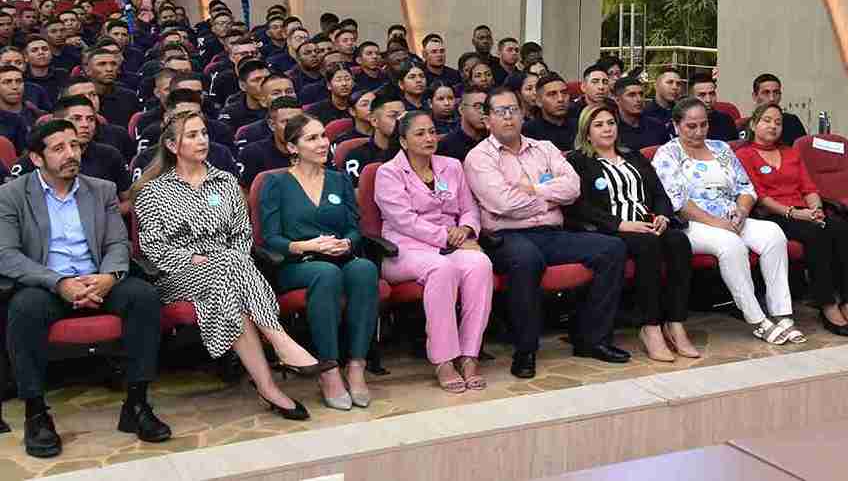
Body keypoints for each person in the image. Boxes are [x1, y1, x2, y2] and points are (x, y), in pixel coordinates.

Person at [132, 113, 329, 421]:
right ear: (172, 145)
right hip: (178, 275)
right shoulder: (154, 192)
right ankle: (280, 342)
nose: (202, 140)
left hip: (230, 272)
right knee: (228, 268)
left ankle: (268, 387)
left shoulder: (224, 182)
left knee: (229, 280)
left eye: (204, 133)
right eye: (192, 135)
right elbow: (152, 247)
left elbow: (242, 233)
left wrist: (227, 260)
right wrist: (192, 259)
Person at [0, 120, 172, 457]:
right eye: (59, 148)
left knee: (144, 297)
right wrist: (59, 283)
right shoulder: (11, 195)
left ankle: (136, 405)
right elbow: (6, 255)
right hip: (48, 285)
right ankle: (36, 413)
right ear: (37, 158)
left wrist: (109, 277)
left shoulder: (102, 189)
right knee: (24, 308)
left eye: (75, 146)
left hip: (99, 280)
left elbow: (118, 244)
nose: (71, 154)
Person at [463, 87, 629, 379]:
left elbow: (573, 187)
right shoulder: (479, 157)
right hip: (507, 237)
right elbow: (502, 203)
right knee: (526, 260)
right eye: (500, 111)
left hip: (553, 232)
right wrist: (551, 197)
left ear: (523, 113)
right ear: (487, 120)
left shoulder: (545, 148)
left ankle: (592, 339)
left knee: (612, 249)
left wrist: (535, 191)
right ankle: (525, 349)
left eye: (513, 109)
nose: (508, 117)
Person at [652, 98, 804, 345]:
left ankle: (782, 313)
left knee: (773, 233)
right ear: (676, 125)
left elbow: (746, 188)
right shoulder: (667, 154)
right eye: (691, 126)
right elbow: (677, 202)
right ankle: (757, 320)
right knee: (731, 245)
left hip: (732, 218)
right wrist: (716, 223)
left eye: (703, 125)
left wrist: (742, 211)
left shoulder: (720, 148)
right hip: (694, 224)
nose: (699, 131)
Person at [260, 115, 379, 411]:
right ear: (292, 147)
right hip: (297, 264)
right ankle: (328, 370)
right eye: (312, 138)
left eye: (323, 135)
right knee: (325, 274)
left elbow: (354, 227)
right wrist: (305, 245)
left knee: (365, 269)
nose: (323, 143)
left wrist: (347, 243)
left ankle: (356, 365)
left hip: (339, 257)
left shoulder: (339, 180)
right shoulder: (274, 182)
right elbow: (270, 239)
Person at [565, 103, 699, 363]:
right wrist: (619, 224)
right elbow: (579, 206)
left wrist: (661, 215)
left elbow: (659, 194)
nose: (607, 129)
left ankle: (675, 322)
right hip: (613, 230)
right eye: (599, 125)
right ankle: (650, 327)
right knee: (648, 245)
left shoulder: (633, 156)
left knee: (678, 241)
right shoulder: (578, 161)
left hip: (647, 222)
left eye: (611, 123)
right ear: (587, 132)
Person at [376, 111, 494, 392]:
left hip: (452, 243)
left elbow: (468, 209)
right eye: (420, 134)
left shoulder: (451, 166)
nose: (430, 138)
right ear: (403, 141)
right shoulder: (388, 172)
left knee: (480, 264)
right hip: (404, 249)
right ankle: (443, 360)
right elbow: (404, 221)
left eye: (432, 132)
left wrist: (466, 230)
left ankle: (469, 355)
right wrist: (449, 239)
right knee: (442, 268)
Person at [738, 103, 848, 336]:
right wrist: (795, 213)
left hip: (804, 210)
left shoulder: (791, 152)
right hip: (773, 215)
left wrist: (815, 209)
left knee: (844, 229)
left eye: (778, 122)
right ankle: (827, 304)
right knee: (817, 234)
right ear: (754, 124)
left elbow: (808, 187)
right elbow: (760, 197)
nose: (773, 126)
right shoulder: (744, 155)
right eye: (767, 120)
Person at [11, 96, 131, 203]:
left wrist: (105, 213)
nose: (85, 125)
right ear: (57, 121)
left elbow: (129, 200)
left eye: (90, 119)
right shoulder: (36, 158)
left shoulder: (110, 155)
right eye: (77, 119)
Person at [342, 90, 404, 184]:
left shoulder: (414, 151)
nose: (401, 121)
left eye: (404, 116)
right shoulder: (357, 156)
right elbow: (358, 195)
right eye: (393, 116)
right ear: (374, 121)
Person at [239, 97, 305, 187]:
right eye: (286, 122)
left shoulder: (316, 148)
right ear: (272, 125)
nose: (293, 127)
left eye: (298, 121)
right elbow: (245, 191)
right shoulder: (253, 153)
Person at [523, 72, 579, 151]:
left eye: (564, 93)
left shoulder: (580, 127)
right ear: (538, 101)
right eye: (552, 94)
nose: (560, 99)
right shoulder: (528, 132)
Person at [611, 76, 668, 151]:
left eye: (641, 94)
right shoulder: (611, 129)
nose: (639, 99)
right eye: (631, 95)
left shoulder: (657, 126)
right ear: (617, 99)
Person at [749, 74, 808, 145]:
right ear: (755, 96)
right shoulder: (743, 125)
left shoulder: (792, 122)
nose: (772, 98)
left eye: (776, 93)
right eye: (766, 93)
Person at [436, 86, 489, 162]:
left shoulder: (496, 141)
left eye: (486, 107)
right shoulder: (445, 147)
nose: (483, 111)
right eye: (477, 106)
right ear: (461, 109)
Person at [220, 59, 269, 133]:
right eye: (256, 80)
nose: (264, 84)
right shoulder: (231, 113)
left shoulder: (282, 108)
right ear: (242, 85)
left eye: (267, 79)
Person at [687, 72, 739, 142]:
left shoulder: (726, 120)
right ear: (691, 97)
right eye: (702, 95)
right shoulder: (683, 122)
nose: (708, 100)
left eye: (712, 94)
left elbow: (734, 148)